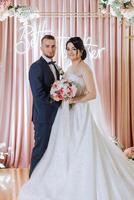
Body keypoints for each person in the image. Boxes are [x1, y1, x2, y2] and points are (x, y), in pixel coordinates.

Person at [18, 37, 134, 200]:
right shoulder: (63, 68)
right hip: (61, 114)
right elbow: (41, 94)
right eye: (68, 49)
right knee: (54, 148)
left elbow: (92, 93)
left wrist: (73, 100)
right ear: (42, 46)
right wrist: (62, 96)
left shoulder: (84, 68)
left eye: (74, 49)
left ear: (81, 51)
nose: (71, 52)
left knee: (81, 146)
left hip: (79, 113)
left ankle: (79, 182)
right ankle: (37, 181)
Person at [28, 35, 61, 177]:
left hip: (56, 116)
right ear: (41, 47)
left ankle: (45, 183)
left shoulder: (56, 66)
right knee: (40, 150)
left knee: (52, 151)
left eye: (53, 46)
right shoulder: (36, 67)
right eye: (47, 46)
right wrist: (57, 101)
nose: (50, 49)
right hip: (43, 117)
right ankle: (32, 183)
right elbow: (39, 94)